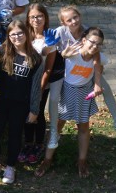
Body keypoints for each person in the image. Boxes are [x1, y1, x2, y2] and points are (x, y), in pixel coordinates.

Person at [45, 6, 116, 154]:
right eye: (69, 20)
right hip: (63, 70)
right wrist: (63, 54)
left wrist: (98, 80)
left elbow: (96, 53)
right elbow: (49, 51)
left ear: (80, 16)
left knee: (105, 88)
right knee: (54, 98)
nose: (74, 21)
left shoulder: (86, 31)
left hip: (85, 66)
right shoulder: (59, 32)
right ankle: (54, 132)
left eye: (76, 17)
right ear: (63, 22)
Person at [0, 21, 43, 184]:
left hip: (20, 104)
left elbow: (36, 87)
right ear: (9, 36)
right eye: (13, 34)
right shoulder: (3, 51)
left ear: (26, 34)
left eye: (20, 33)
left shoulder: (35, 58)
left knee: (14, 135)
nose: (17, 37)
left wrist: (34, 110)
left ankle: (11, 167)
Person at [35, 27, 104, 178]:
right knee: (58, 124)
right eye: (92, 42)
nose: (95, 47)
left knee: (83, 125)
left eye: (99, 44)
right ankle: (47, 159)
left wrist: (97, 84)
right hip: (66, 90)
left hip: (84, 92)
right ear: (84, 40)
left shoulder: (96, 55)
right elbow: (61, 56)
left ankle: (82, 160)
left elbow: (98, 67)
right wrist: (64, 54)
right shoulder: (74, 50)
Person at [19, 3, 57, 164]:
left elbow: (48, 69)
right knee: (26, 113)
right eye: (33, 16)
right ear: (28, 18)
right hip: (23, 83)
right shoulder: (24, 35)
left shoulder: (50, 38)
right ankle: (28, 143)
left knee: (38, 113)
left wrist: (40, 89)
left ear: (45, 18)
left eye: (39, 16)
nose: (36, 19)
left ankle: (39, 144)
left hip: (41, 84)